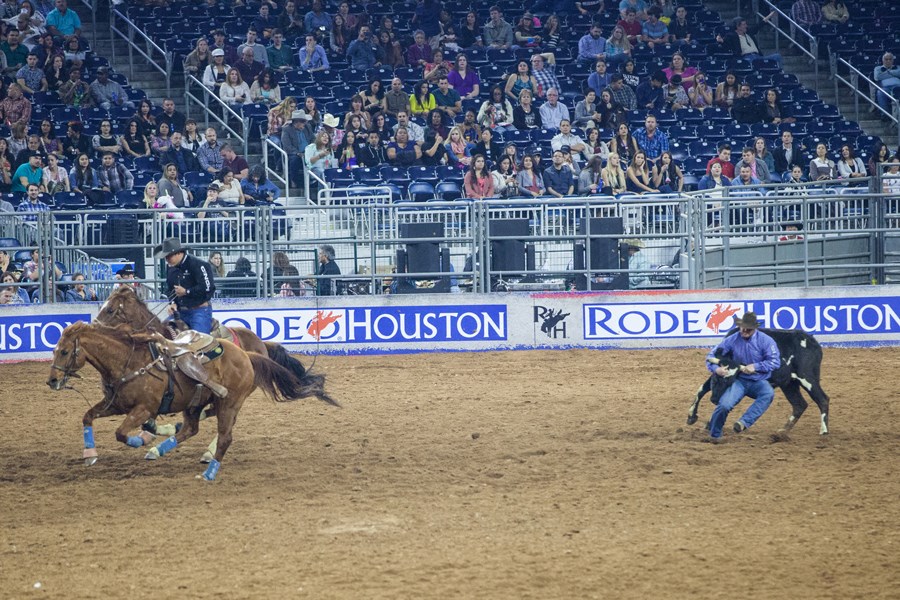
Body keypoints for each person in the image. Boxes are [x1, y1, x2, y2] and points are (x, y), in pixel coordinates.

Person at [705, 311, 780, 440]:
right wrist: (717, 370)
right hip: (739, 380)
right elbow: (711, 357)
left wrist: (756, 366)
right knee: (724, 405)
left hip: (758, 380)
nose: (744, 331)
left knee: (767, 394)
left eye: (748, 329)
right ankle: (715, 434)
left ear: (754, 328)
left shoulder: (767, 341)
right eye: (742, 328)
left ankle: (743, 423)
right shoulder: (732, 339)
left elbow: (775, 362)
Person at [155, 237, 216, 333]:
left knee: (198, 342)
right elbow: (170, 289)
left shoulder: (199, 265)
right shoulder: (171, 268)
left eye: (168, 256)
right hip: (180, 312)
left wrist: (187, 292)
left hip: (199, 311)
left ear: (178, 253)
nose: (166, 259)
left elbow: (208, 288)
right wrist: (172, 303)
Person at [873, 53, 900, 117]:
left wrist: (888, 72)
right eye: (886, 59)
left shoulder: (898, 67)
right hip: (885, 88)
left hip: (898, 87)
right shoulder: (878, 68)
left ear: (893, 60)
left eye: (890, 59)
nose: (888, 61)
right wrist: (894, 73)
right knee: (880, 93)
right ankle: (885, 115)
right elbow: (877, 77)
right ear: (883, 60)